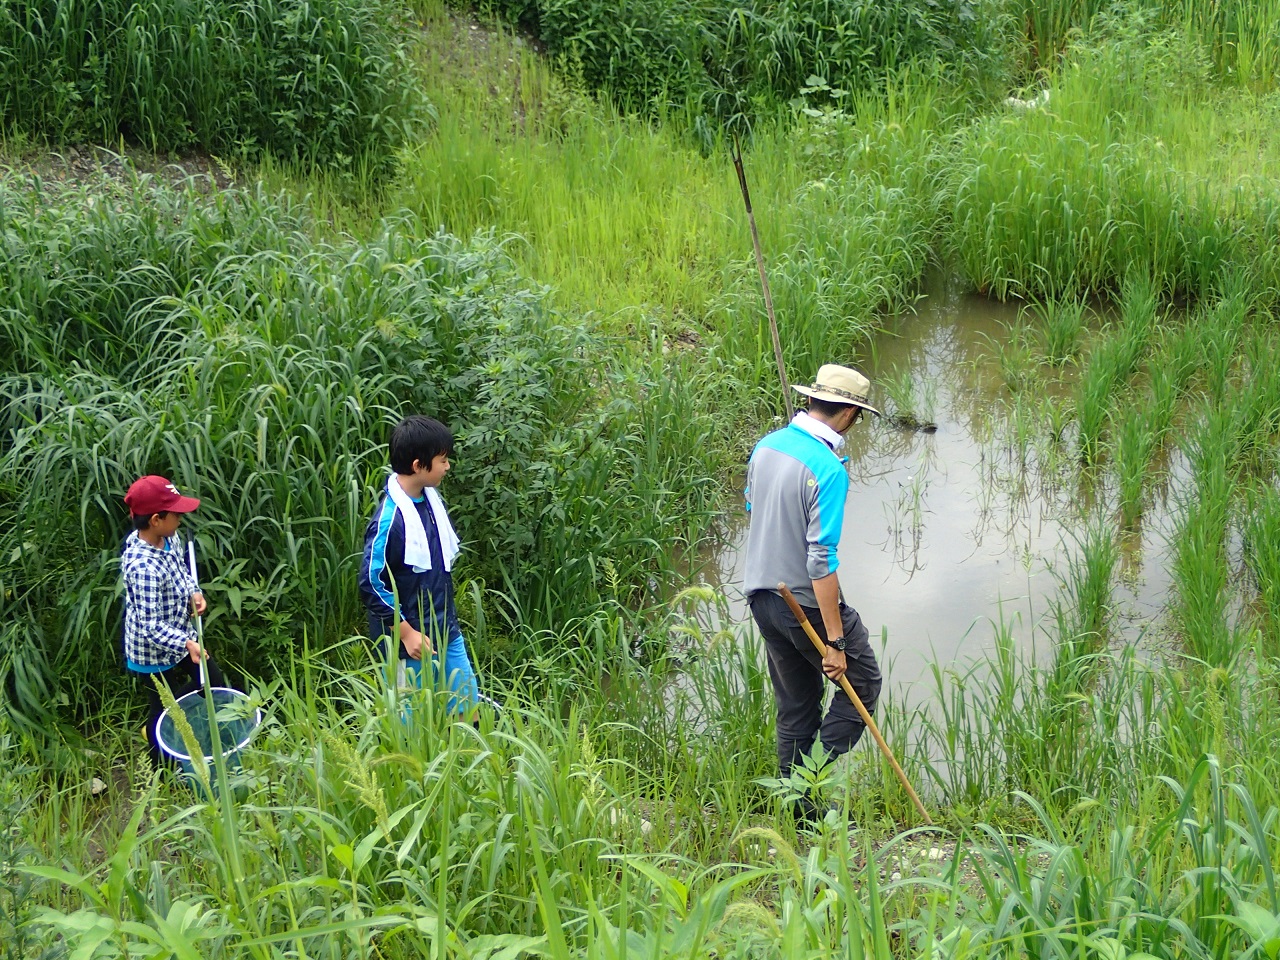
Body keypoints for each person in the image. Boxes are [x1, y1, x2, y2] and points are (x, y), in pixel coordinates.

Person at [743, 364, 884, 817]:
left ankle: (797, 811)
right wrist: (836, 641)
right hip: (802, 604)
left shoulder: (766, 447)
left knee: (797, 707)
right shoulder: (828, 468)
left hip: (762, 598)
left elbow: (753, 505)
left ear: (810, 401)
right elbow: (821, 559)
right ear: (847, 415)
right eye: (857, 416)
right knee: (862, 681)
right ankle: (809, 777)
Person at [359, 414, 479, 715]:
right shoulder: (390, 520)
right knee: (409, 716)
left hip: (444, 626)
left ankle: (471, 755)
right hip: (406, 637)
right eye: (442, 460)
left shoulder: (431, 503)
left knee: (467, 698)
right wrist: (407, 633)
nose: (448, 466)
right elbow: (371, 584)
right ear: (418, 466)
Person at [121, 475, 223, 760]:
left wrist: (195, 593)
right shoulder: (142, 567)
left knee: (212, 680)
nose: (181, 519)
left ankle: (175, 718)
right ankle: (160, 767)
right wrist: (186, 644)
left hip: (180, 631)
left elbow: (181, 571)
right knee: (162, 710)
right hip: (150, 650)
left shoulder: (169, 538)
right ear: (155, 519)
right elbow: (150, 626)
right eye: (176, 514)